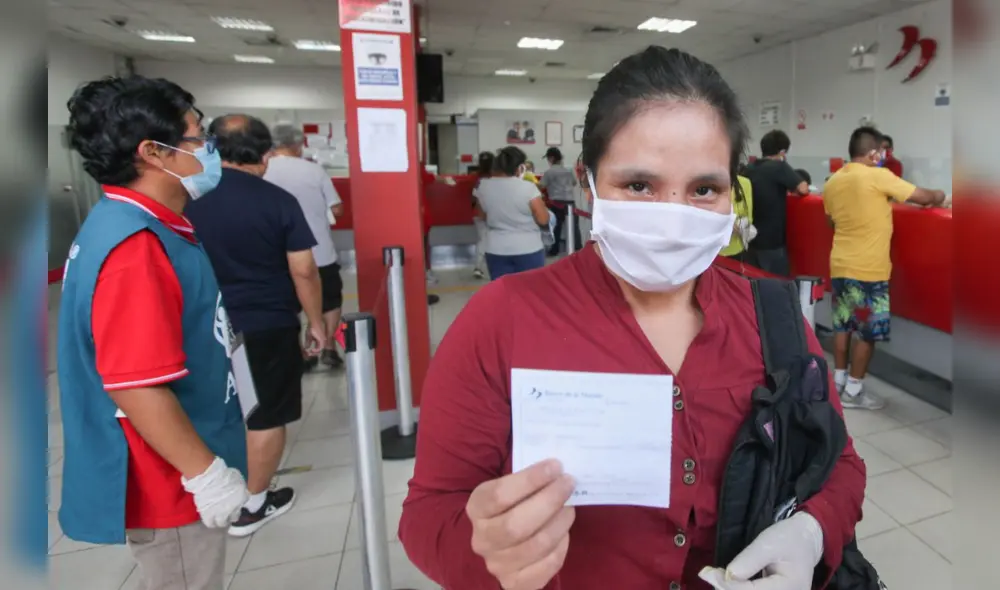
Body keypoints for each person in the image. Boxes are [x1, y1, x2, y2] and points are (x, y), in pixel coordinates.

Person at [399, 46, 864, 589]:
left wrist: (811, 531)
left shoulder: (774, 316)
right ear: (588, 182)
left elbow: (840, 464)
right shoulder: (502, 320)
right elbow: (429, 513)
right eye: (639, 185)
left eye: (704, 189)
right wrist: (486, 551)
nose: (671, 218)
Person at [57, 75, 249, 589]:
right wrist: (205, 474)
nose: (207, 149)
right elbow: (135, 382)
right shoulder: (135, 247)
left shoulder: (143, 224)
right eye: (196, 137)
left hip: (181, 461)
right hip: (170, 481)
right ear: (154, 153)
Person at [186, 114, 328, 536]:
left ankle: (213, 487)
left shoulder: (186, 197)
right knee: (265, 416)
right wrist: (317, 323)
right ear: (264, 155)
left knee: (220, 409)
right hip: (265, 324)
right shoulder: (276, 200)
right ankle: (252, 504)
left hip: (201, 325)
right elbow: (304, 270)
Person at [823, 126, 946, 410]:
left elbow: (831, 221)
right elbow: (924, 197)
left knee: (843, 326)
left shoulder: (834, 181)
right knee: (868, 331)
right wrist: (940, 195)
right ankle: (854, 392)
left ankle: (839, 381)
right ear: (874, 153)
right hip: (869, 269)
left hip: (841, 264)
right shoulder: (878, 175)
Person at [264, 123, 346, 370]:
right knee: (330, 300)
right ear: (298, 145)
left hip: (277, 255)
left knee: (290, 303)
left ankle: (302, 351)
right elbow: (337, 209)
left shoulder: (262, 170)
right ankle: (329, 347)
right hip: (319, 251)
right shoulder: (314, 171)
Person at [473, 146, 551, 280]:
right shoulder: (528, 188)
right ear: (520, 167)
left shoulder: (483, 186)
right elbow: (543, 219)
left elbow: (481, 215)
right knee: (529, 293)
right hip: (528, 247)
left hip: (496, 248)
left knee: (503, 294)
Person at [744, 129, 810, 276]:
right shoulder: (779, 167)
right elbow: (803, 188)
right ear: (782, 152)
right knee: (777, 283)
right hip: (772, 242)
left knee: (754, 282)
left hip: (749, 239)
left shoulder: (748, 168)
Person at [540, 147, 582, 256]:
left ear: (551, 158)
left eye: (548, 159)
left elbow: (541, 185)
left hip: (556, 203)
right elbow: (573, 183)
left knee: (555, 228)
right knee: (574, 228)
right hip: (570, 202)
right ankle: (578, 249)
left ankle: (554, 250)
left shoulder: (549, 172)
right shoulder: (568, 170)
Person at [471, 151, 494, 279]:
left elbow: (474, 198)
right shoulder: (495, 178)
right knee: (487, 240)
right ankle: (478, 267)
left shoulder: (476, 178)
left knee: (483, 239)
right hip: (491, 213)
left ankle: (479, 266)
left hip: (478, 213)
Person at [719, 174, 754, 259]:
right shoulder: (704, 181)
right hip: (709, 250)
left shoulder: (744, 183)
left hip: (736, 247)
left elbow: (748, 215)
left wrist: (739, 225)